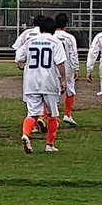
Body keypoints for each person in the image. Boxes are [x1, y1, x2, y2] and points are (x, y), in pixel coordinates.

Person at [16, 16, 68, 154]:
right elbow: (60, 63)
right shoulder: (55, 42)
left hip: (31, 82)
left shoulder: (30, 41)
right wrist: (63, 80)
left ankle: (26, 134)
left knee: (32, 113)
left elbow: (19, 57)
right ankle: (49, 145)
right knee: (52, 115)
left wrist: (22, 64)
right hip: (49, 81)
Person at [52, 14, 80, 126]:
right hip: (67, 68)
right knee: (70, 90)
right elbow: (73, 54)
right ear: (66, 24)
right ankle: (67, 115)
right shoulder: (69, 37)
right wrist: (76, 68)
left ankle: (53, 118)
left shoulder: (51, 36)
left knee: (53, 93)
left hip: (53, 68)